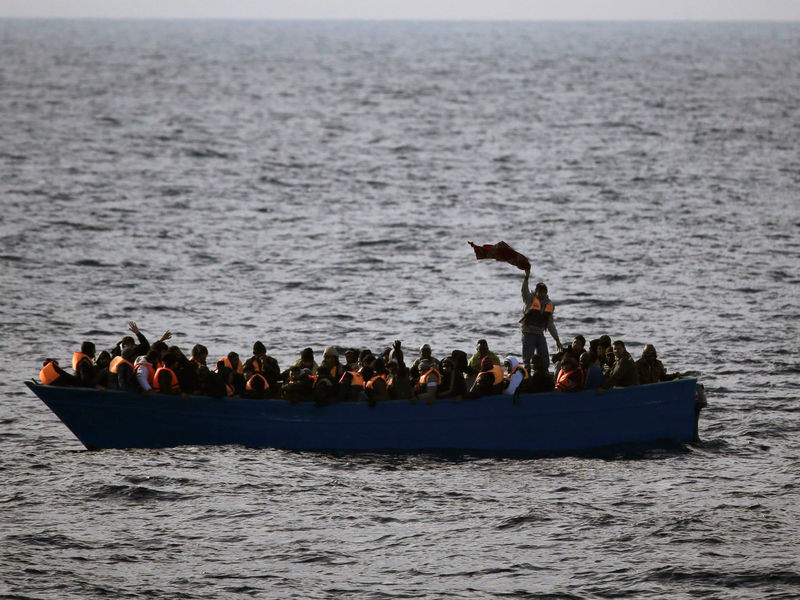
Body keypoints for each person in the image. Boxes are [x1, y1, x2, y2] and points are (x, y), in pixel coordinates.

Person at [520, 273, 563, 372]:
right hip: (528, 333)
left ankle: (544, 379)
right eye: (540, 291)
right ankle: (527, 381)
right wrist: (526, 278)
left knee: (545, 360)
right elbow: (524, 291)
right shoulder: (529, 299)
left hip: (539, 334)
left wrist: (556, 339)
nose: (542, 294)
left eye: (544, 292)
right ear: (536, 291)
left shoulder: (549, 305)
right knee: (527, 361)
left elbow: (550, 324)